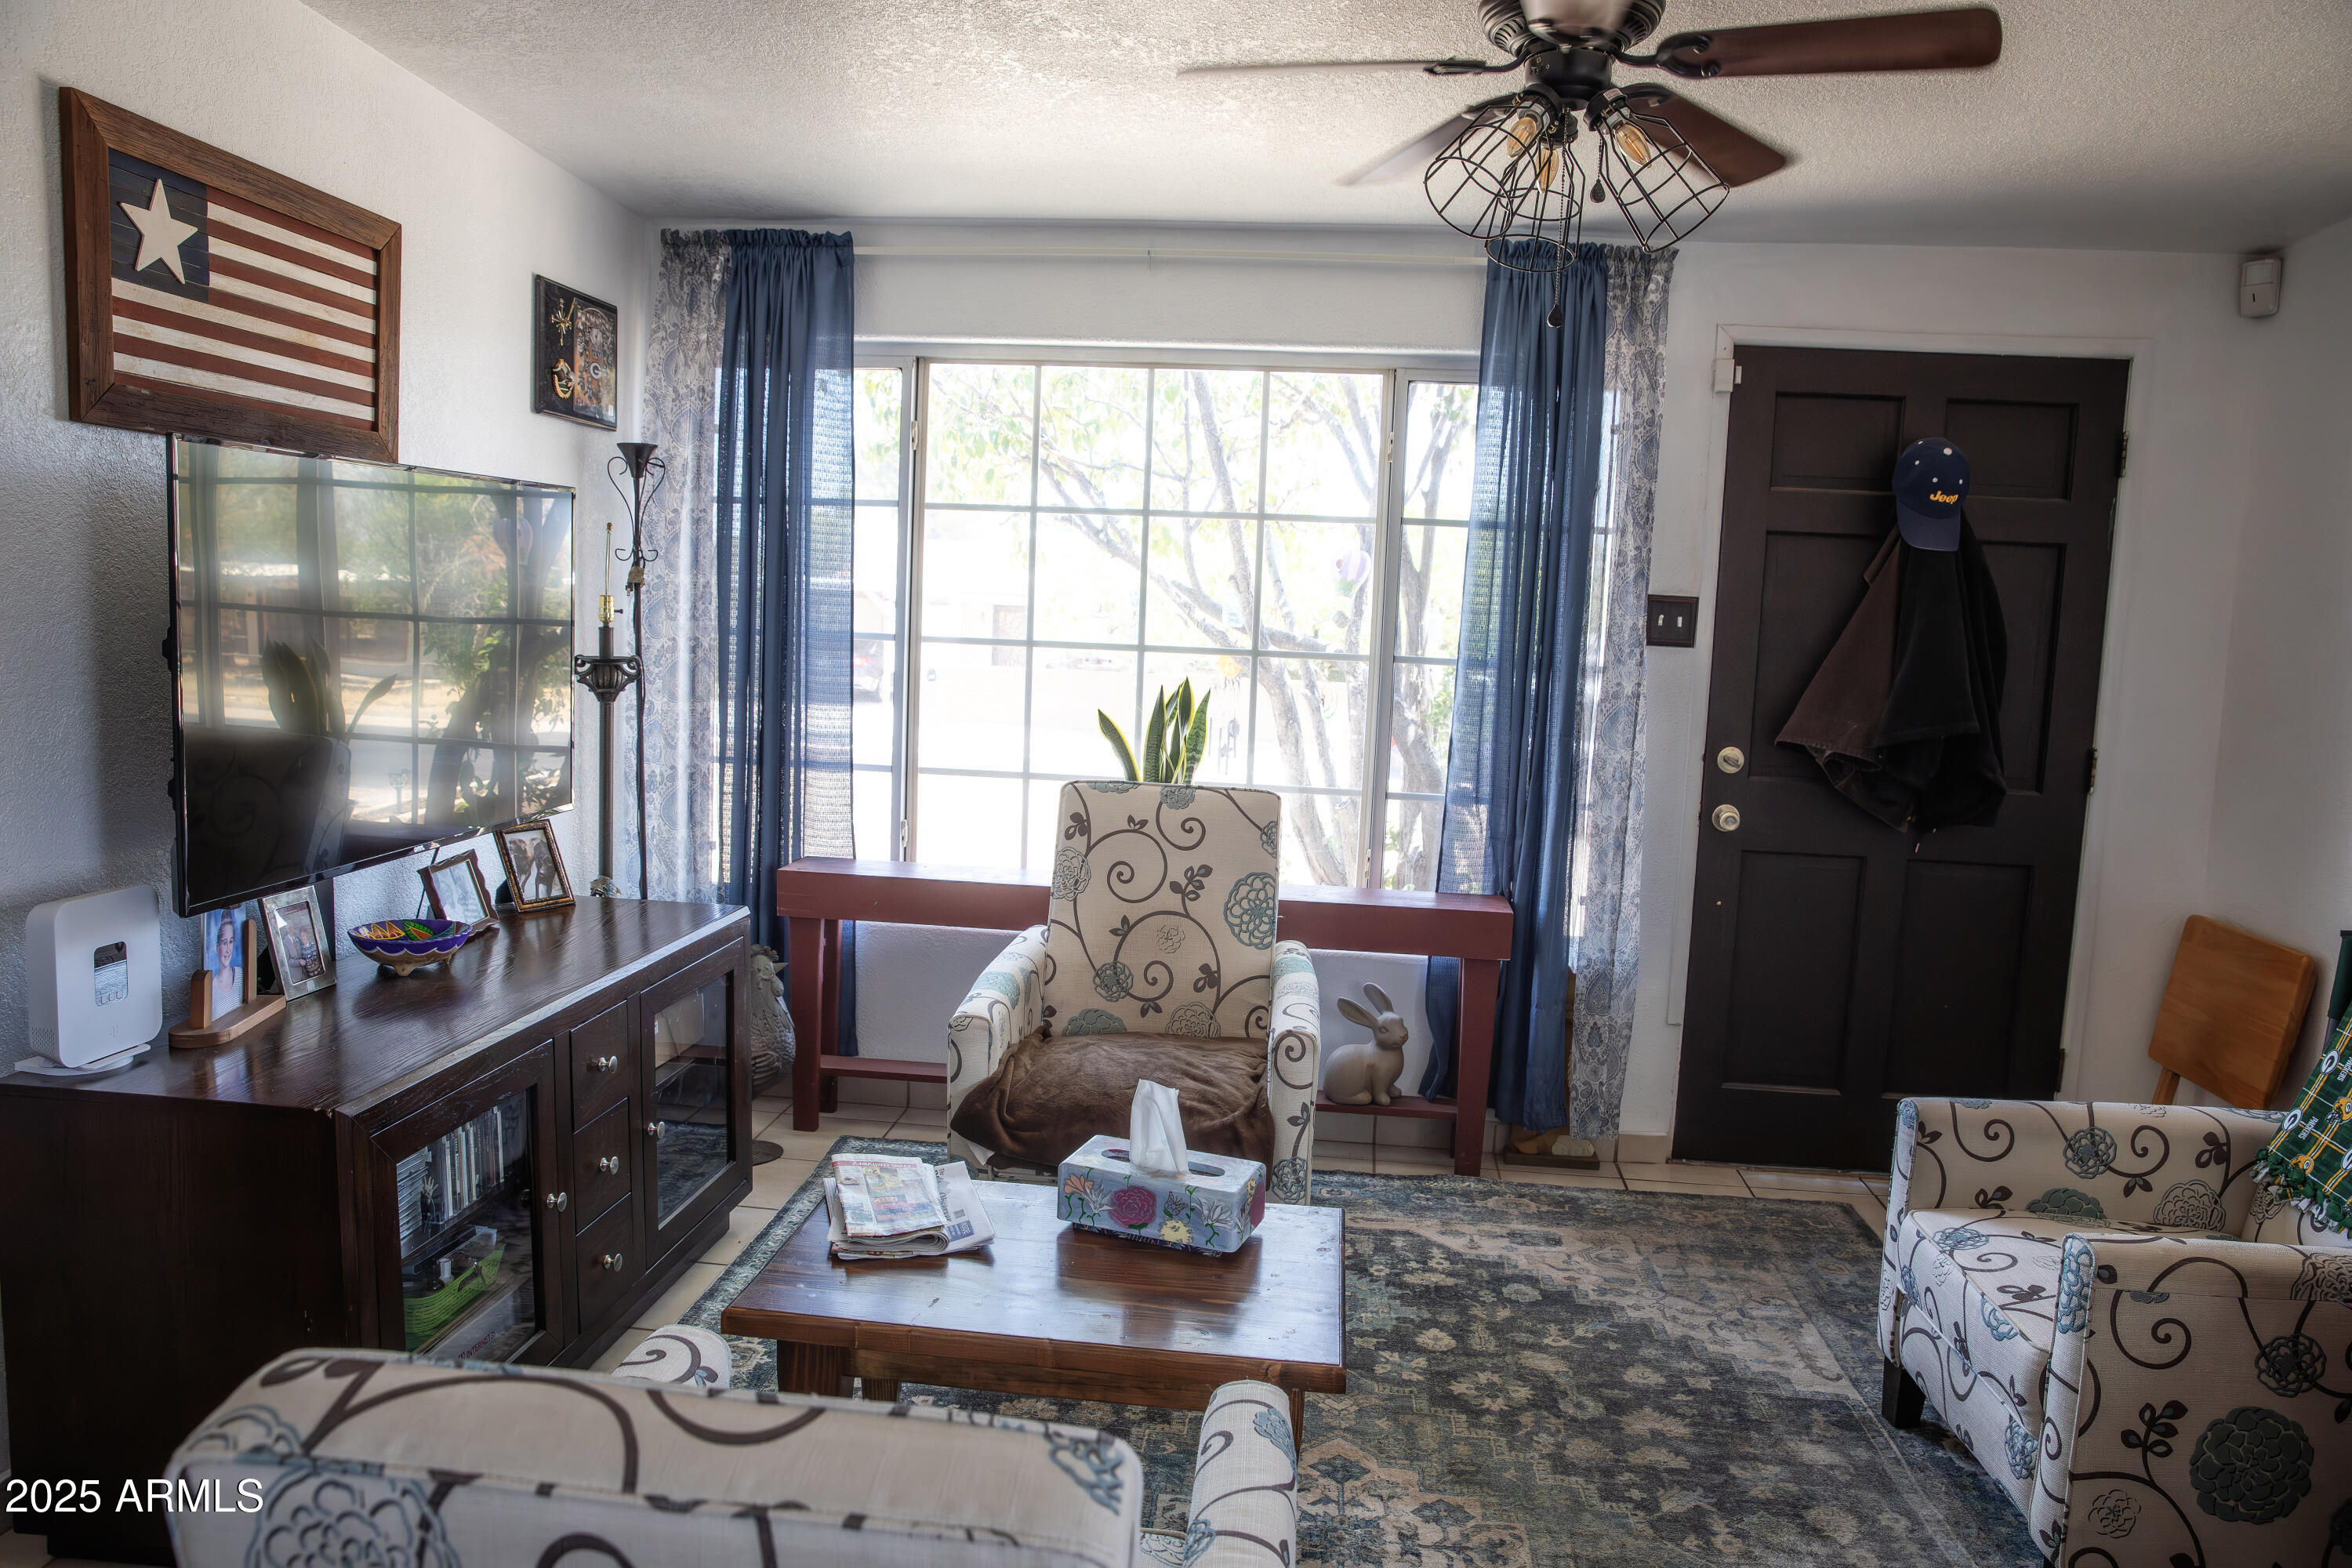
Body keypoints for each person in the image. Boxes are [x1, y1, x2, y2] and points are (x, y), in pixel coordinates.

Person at [209, 910, 241, 1003]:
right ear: (217, 947)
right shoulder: (211, 987)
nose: (228, 950)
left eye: (231, 942)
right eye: (224, 943)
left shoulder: (241, 975)